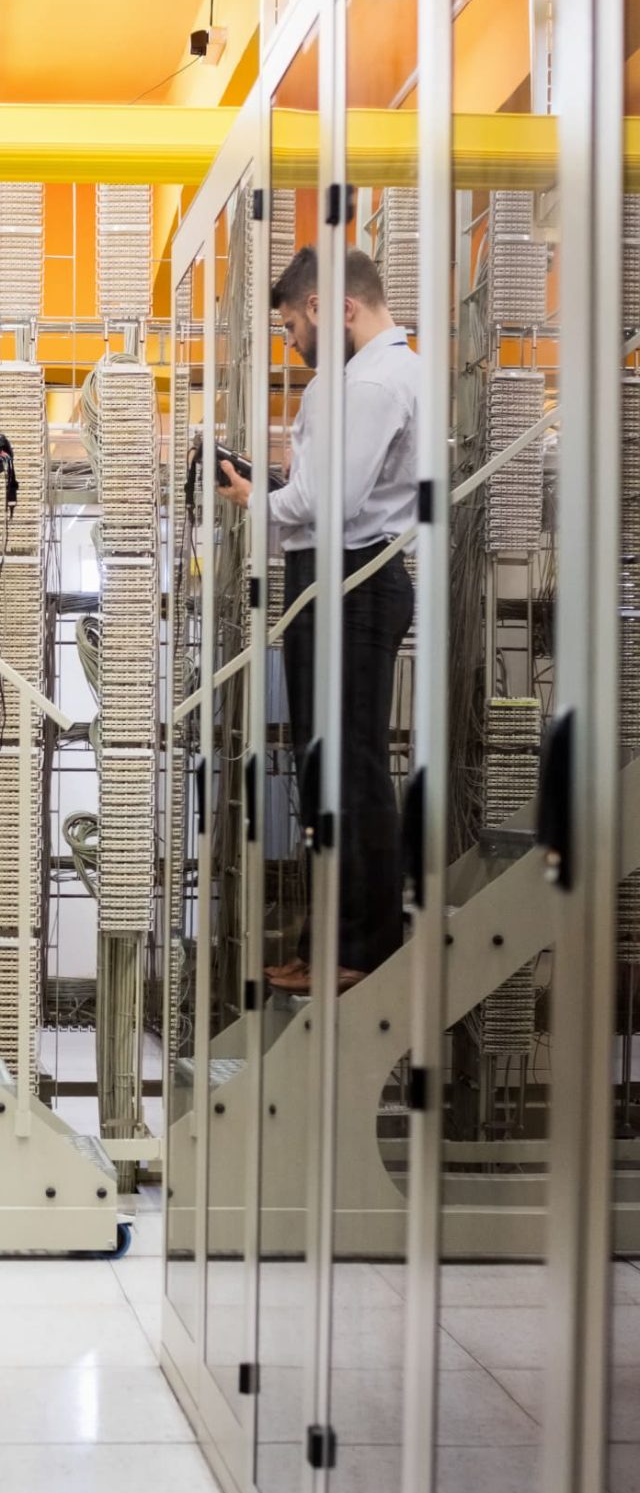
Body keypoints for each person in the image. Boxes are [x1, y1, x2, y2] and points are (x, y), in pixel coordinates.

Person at [217, 243, 418, 993]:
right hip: (338, 579)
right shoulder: (364, 378)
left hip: (350, 582)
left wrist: (256, 502)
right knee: (325, 767)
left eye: (291, 329)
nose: (293, 345)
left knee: (350, 767)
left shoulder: (371, 383)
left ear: (330, 309)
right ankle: (332, 939)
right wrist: (277, 495)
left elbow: (327, 504)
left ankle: (362, 950)